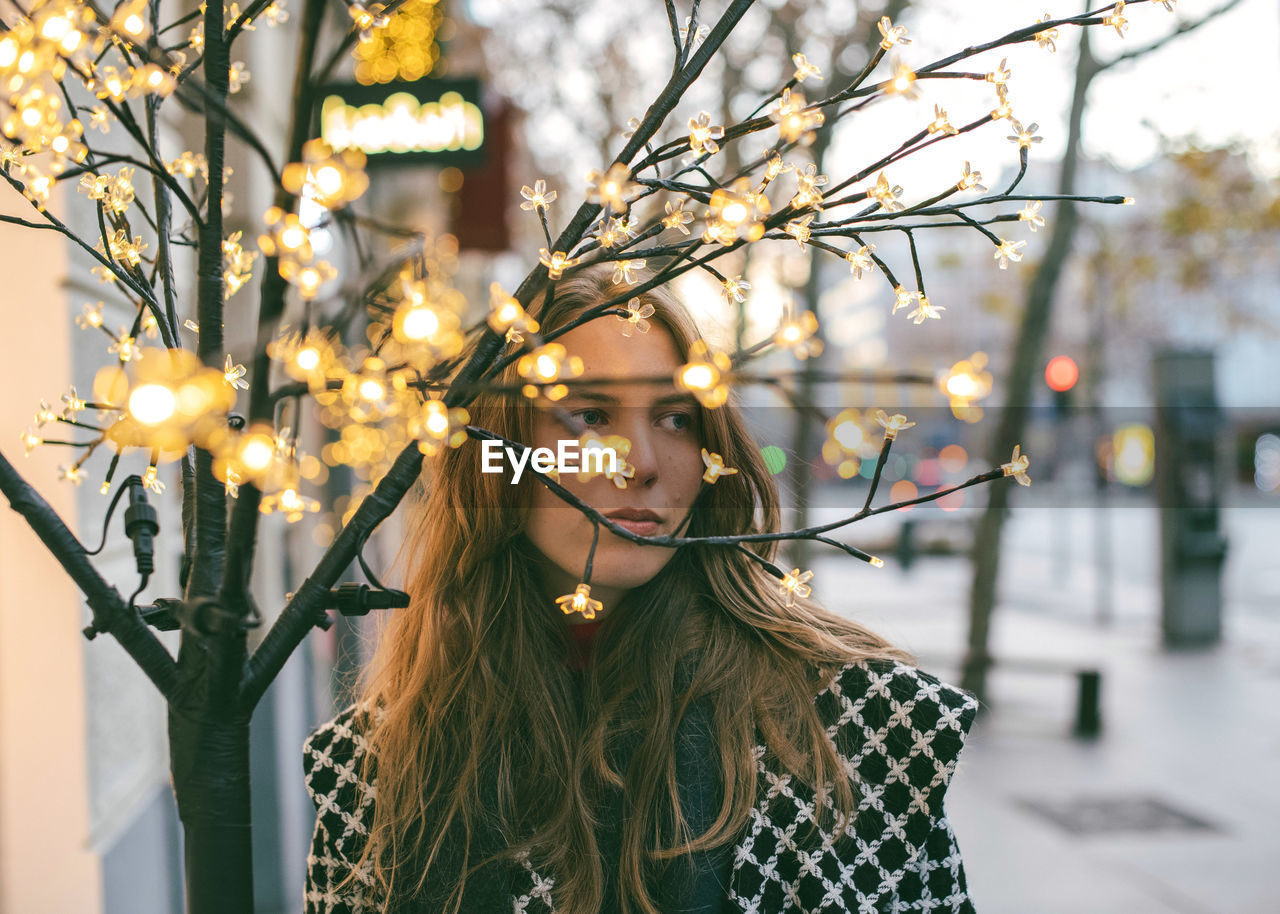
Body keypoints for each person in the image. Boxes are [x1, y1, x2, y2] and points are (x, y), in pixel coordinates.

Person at [303, 265, 980, 914]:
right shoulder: (374, 776)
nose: (644, 463)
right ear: (495, 456)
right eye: (590, 417)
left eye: (675, 418)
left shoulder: (858, 731)